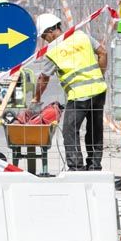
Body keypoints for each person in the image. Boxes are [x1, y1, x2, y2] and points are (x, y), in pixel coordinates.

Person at [32, 13, 108, 171]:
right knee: (95, 130)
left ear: (51, 30)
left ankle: (76, 168)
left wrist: (36, 98)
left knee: (69, 130)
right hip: (99, 91)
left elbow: (43, 79)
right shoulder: (80, 35)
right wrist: (99, 76)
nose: (44, 40)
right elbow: (103, 52)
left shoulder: (52, 50)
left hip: (79, 95)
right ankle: (94, 166)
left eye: (45, 36)